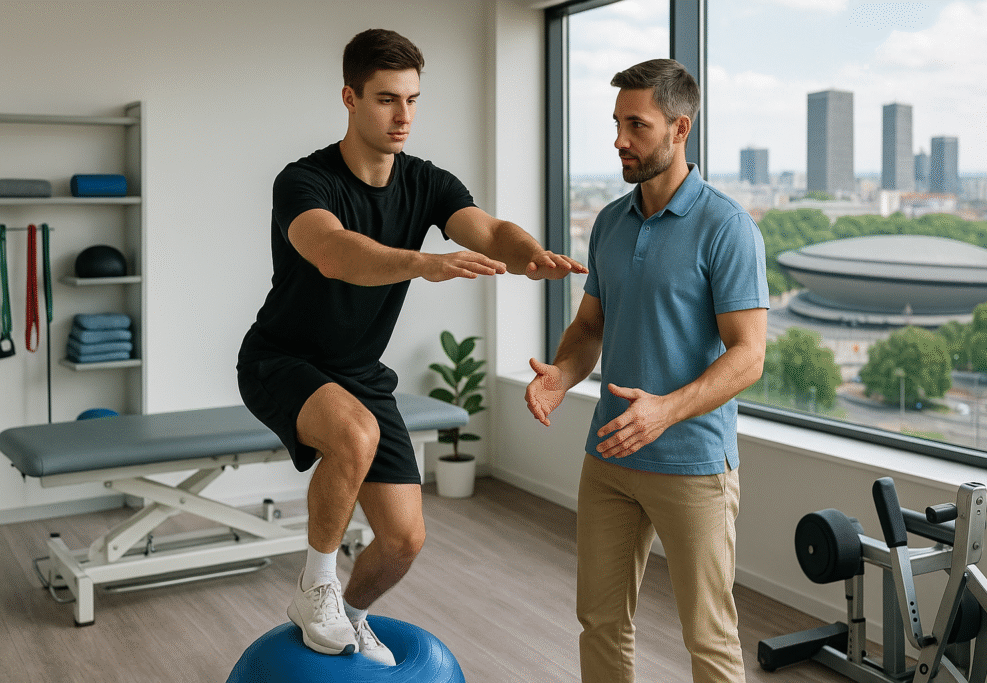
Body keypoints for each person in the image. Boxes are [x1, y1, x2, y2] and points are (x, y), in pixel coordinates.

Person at [237, 28, 586, 664]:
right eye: (386, 100)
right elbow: (333, 253)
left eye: (413, 100)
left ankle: (352, 611)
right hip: (280, 359)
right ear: (349, 97)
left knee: (403, 540)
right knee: (354, 434)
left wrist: (529, 253)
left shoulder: (427, 182)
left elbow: (489, 230)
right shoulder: (304, 181)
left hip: (359, 371)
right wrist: (424, 263)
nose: (404, 117)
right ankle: (314, 588)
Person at [525, 58, 769, 683]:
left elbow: (748, 356)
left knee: (708, 638)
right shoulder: (609, 221)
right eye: (616, 123)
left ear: (679, 129)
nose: (619, 140)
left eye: (636, 124)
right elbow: (588, 330)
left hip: (691, 463)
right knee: (600, 622)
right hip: (608, 456)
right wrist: (560, 374)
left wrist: (663, 410)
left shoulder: (727, 227)